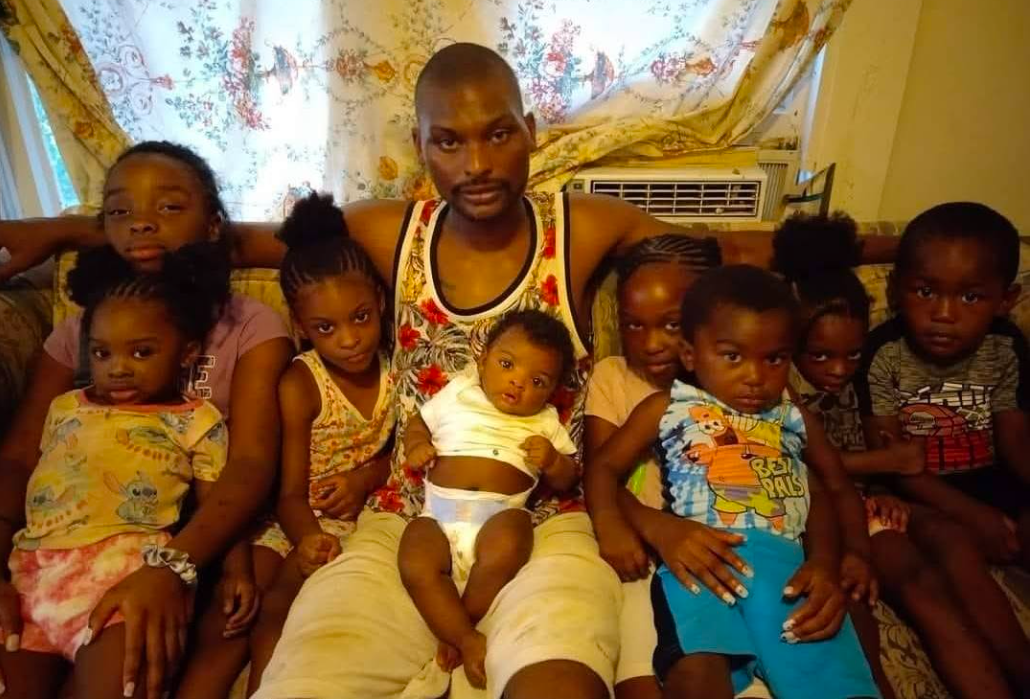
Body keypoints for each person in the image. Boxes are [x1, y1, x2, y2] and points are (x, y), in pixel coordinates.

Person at [0, 43, 896, 699]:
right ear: (421, 144)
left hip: (548, 519)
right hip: (405, 515)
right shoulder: (392, 229)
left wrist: (894, 245)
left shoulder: (580, 225)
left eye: (498, 134)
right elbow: (230, 236)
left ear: (530, 132)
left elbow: (731, 248)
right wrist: (69, 229)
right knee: (309, 678)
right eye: (449, 141)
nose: (477, 164)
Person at [0, 141, 293, 699]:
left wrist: (171, 567)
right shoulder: (80, 330)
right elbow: (18, 456)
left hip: (191, 533)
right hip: (56, 549)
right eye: (120, 211)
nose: (141, 224)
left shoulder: (248, 323)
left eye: (169, 206)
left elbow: (251, 463)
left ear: (213, 224)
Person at [586, 265, 880, 699]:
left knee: (835, 682)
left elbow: (830, 487)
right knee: (696, 674)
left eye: (774, 358)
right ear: (690, 354)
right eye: (733, 357)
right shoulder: (668, 406)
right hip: (701, 562)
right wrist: (610, 522)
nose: (755, 377)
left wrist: (839, 557)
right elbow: (603, 466)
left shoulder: (792, 416)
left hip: (787, 568)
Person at [775, 211, 1026, 699]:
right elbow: (798, 460)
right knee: (914, 584)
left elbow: (881, 448)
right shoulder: (782, 384)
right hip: (822, 511)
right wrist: (883, 466)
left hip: (875, 503)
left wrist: (883, 484)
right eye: (820, 356)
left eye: (851, 355)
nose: (839, 369)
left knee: (951, 541)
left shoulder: (868, 361)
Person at [0, 243, 230, 699]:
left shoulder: (197, 420)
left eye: (141, 353)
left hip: (126, 578)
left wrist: (235, 571)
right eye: (102, 354)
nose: (118, 369)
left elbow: (217, 505)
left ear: (187, 353)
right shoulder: (64, 407)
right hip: (33, 576)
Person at [856, 201, 1030, 692]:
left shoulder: (1005, 346)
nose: (943, 315)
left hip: (993, 481)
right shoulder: (885, 353)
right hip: (922, 494)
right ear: (897, 290)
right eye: (926, 292)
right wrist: (973, 515)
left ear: (1005, 299)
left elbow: (1015, 440)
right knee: (954, 548)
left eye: (970, 297)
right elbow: (895, 462)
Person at [243, 193, 396, 695]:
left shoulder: (398, 366)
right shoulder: (301, 383)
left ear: (379, 302)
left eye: (360, 317)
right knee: (266, 606)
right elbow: (289, 493)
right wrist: (309, 538)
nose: (349, 339)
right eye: (326, 328)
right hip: (300, 522)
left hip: (371, 517)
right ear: (301, 327)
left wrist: (367, 477)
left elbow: (407, 450)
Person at [400, 309, 578, 689]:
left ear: (552, 391)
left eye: (537, 381)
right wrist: (416, 445)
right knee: (414, 560)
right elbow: (419, 422)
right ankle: (466, 638)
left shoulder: (546, 420)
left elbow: (568, 478)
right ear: (482, 360)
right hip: (437, 516)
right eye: (507, 364)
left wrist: (552, 461)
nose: (518, 382)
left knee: (513, 536)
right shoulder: (460, 392)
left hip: (498, 518)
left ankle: (458, 623)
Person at [584, 234, 719, 699]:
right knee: (639, 675)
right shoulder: (615, 377)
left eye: (672, 324)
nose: (652, 343)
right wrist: (651, 526)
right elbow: (600, 469)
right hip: (641, 552)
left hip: (719, 553)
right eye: (633, 325)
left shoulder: (739, 378)